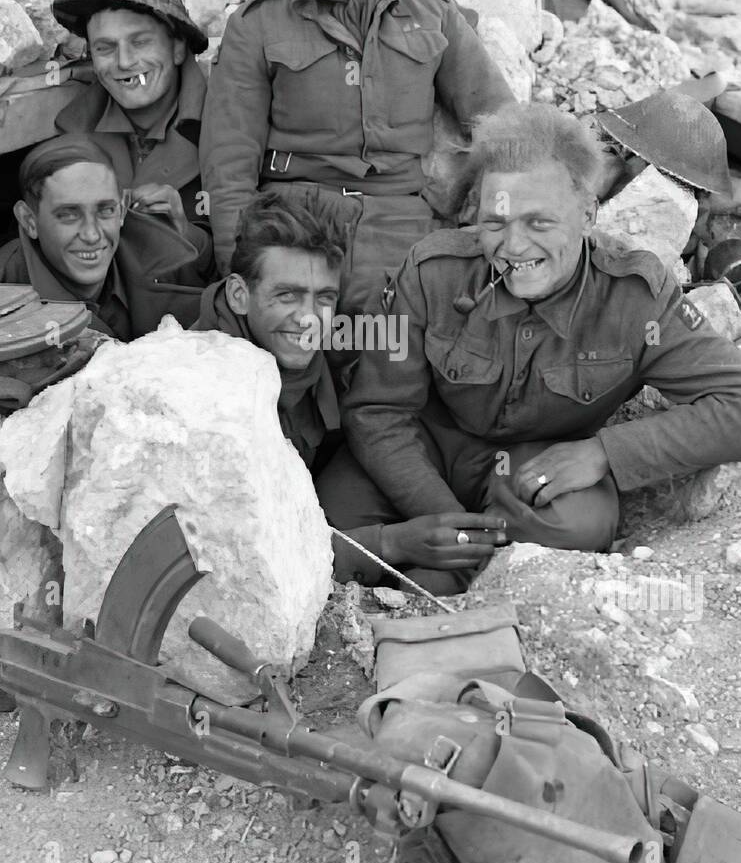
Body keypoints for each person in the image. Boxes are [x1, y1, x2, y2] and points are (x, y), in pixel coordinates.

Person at [335, 102, 741, 592]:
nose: (512, 246)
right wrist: (438, 515)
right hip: (424, 450)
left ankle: (443, 572)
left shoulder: (634, 296)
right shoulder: (432, 273)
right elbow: (379, 413)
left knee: (579, 522)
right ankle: (439, 562)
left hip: (531, 471)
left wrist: (602, 453)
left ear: (588, 214)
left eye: (539, 223)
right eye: (495, 223)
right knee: (331, 524)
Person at [200, 0, 516, 317]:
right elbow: (229, 164)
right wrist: (237, 269)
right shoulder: (257, 23)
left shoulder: (431, 13)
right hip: (293, 224)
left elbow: (503, 126)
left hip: (404, 226)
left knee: (419, 352)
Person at [193, 191, 510, 587]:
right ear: (241, 295)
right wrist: (391, 544)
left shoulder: (332, 338)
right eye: (286, 295)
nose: (309, 319)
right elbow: (229, 554)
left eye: (323, 297)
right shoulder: (205, 393)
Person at [51, 0, 213, 277]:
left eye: (140, 42)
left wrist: (185, 232)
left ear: (178, 47)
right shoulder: (73, 134)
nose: (124, 62)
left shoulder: (226, 125)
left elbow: (253, 264)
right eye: (105, 48)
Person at [0, 136, 205, 342]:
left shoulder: (161, 251)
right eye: (68, 215)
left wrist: (184, 231)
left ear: (121, 210)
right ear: (29, 221)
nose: (91, 234)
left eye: (105, 210)